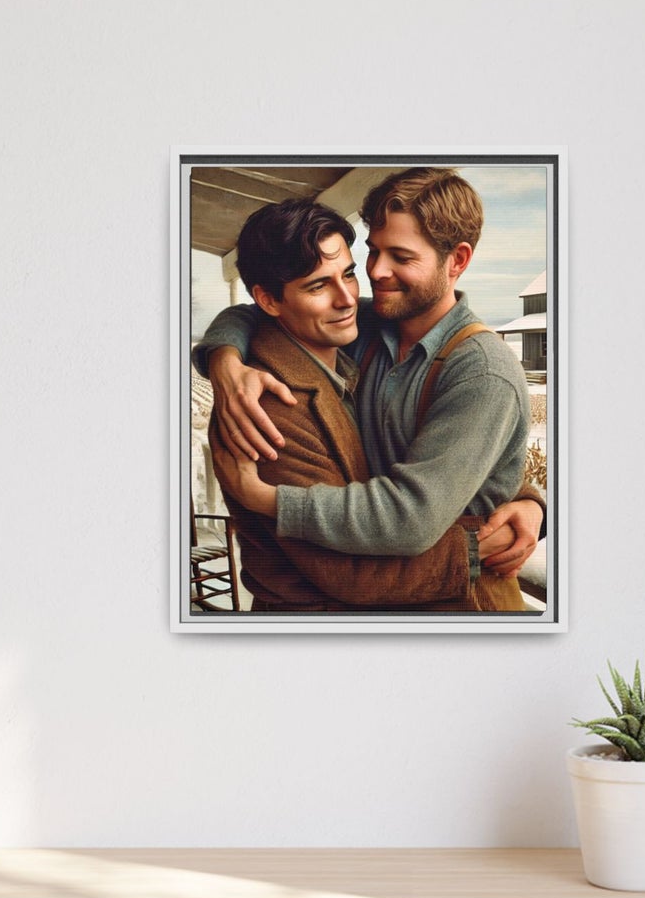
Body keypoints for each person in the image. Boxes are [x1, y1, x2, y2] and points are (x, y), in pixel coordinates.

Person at [201, 168, 544, 605]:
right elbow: (255, 310)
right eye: (373, 251)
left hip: (467, 605)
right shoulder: (370, 322)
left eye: (401, 257)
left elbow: (412, 516)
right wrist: (223, 360)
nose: (376, 274)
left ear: (456, 260)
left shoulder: (481, 372)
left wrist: (269, 500)